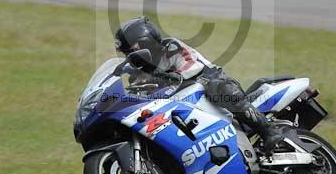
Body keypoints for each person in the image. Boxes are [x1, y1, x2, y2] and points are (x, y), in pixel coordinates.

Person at [114, 16, 286, 153]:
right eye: (126, 54)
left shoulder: (171, 47)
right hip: (182, 101)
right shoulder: (139, 72)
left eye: (131, 51)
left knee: (221, 89)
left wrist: (161, 78)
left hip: (207, 81)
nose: (130, 57)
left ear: (146, 43)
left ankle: (269, 131)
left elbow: (191, 67)